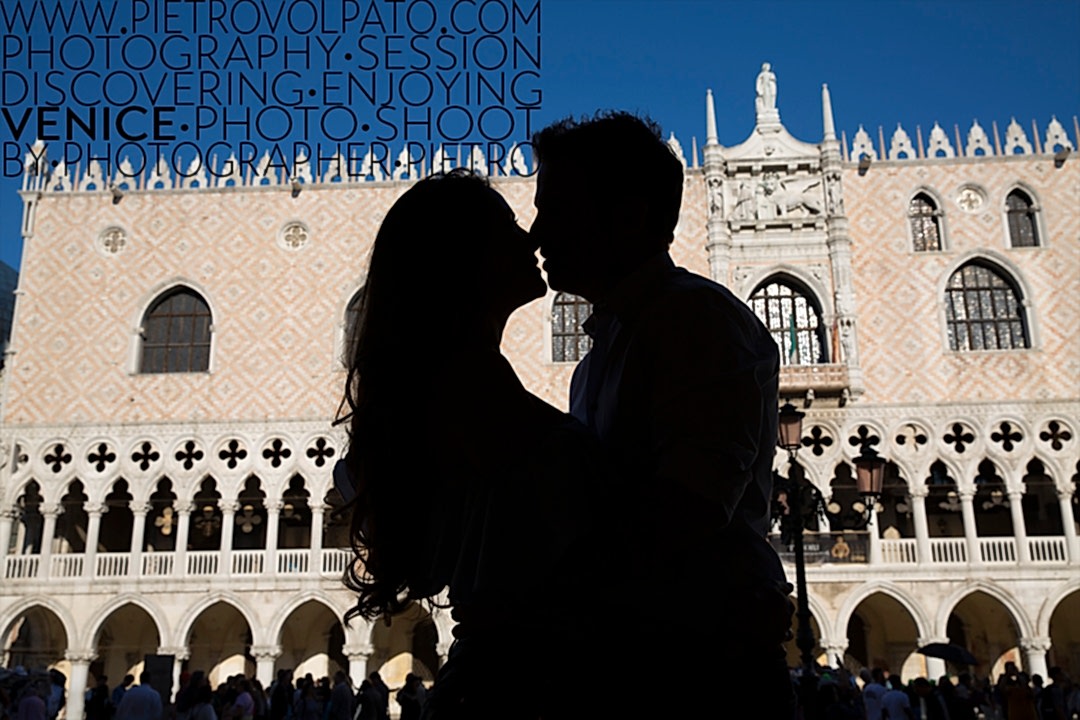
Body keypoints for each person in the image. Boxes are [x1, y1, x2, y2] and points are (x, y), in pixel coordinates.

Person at [336, 170, 630, 719]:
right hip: (523, 689)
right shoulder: (470, 398)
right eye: (511, 227)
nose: (532, 239)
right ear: (460, 262)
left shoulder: (449, 388)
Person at [530, 110, 795, 717]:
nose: (537, 234)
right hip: (645, 659)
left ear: (626, 215)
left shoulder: (697, 322)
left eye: (557, 209)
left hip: (704, 671)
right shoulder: (596, 359)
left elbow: (689, 507)